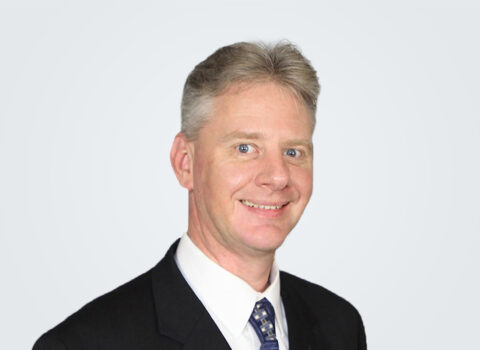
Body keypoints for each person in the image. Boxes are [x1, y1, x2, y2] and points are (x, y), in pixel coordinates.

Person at [33, 41, 367, 350]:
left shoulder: (339, 326)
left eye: (294, 152)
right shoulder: (85, 344)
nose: (278, 176)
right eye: (245, 148)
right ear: (185, 163)